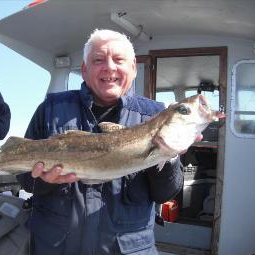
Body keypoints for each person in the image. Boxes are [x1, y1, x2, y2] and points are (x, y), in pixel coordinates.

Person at [17, 29, 200, 254]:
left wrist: (169, 157)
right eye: (98, 60)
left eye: (118, 60)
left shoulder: (154, 114)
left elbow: (165, 193)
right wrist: (44, 180)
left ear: (133, 67)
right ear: (84, 70)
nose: (110, 67)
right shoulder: (50, 110)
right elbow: (25, 180)